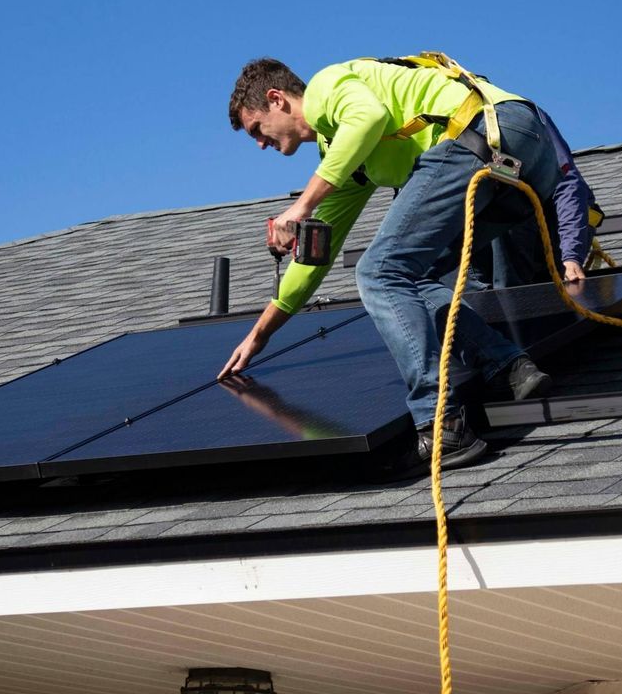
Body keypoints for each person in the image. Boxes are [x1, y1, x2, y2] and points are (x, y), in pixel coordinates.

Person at [218, 56, 587, 473]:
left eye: (256, 130)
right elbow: (314, 259)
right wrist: (259, 336)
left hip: (482, 133)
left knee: (378, 272)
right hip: (524, 160)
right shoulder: (342, 155)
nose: (260, 144)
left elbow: (368, 116)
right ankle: (507, 364)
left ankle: (441, 423)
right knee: (414, 276)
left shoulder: (327, 89)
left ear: (277, 99)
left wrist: (300, 206)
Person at [471, 107, 599, 289]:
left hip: (555, 229)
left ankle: (513, 299)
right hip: (499, 228)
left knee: (507, 198)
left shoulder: (514, 116)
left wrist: (571, 256)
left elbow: (567, 187)